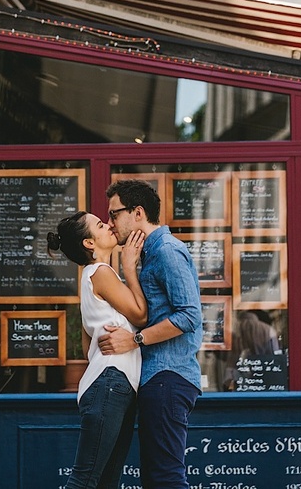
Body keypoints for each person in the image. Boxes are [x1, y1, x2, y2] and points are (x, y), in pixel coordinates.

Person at [98, 179, 203, 489]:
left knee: (166, 479)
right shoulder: (148, 255)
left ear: (138, 212)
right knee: (157, 478)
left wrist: (134, 340)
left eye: (114, 214)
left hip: (168, 376)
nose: (110, 223)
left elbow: (189, 315)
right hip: (158, 378)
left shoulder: (167, 251)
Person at [47, 211, 148, 489]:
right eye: (101, 226)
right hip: (111, 384)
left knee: (103, 482)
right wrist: (130, 267)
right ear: (90, 243)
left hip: (114, 385)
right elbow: (140, 315)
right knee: (85, 480)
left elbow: (85, 344)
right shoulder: (101, 273)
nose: (109, 226)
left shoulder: (91, 278)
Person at [221, 311, 280, 391]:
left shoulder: (234, 329)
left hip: (238, 378)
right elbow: (275, 357)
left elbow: (229, 359)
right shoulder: (269, 330)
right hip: (263, 376)